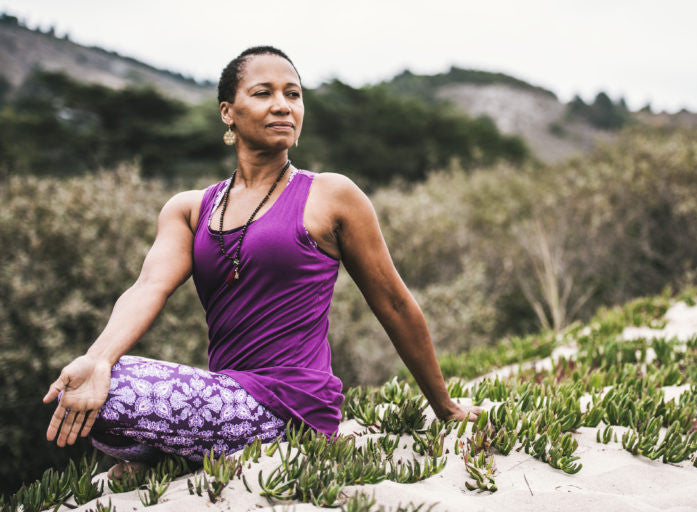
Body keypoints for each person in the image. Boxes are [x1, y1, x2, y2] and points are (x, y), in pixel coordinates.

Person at [42, 46, 483, 478]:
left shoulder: (332, 196)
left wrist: (445, 407)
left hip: (292, 406)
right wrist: (98, 359)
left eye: (293, 94)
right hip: (228, 400)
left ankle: (166, 456)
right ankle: (183, 451)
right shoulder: (191, 209)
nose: (282, 106)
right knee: (83, 386)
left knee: (114, 390)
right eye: (263, 93)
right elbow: (148, 287)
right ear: (227, 112)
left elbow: (394, 304)